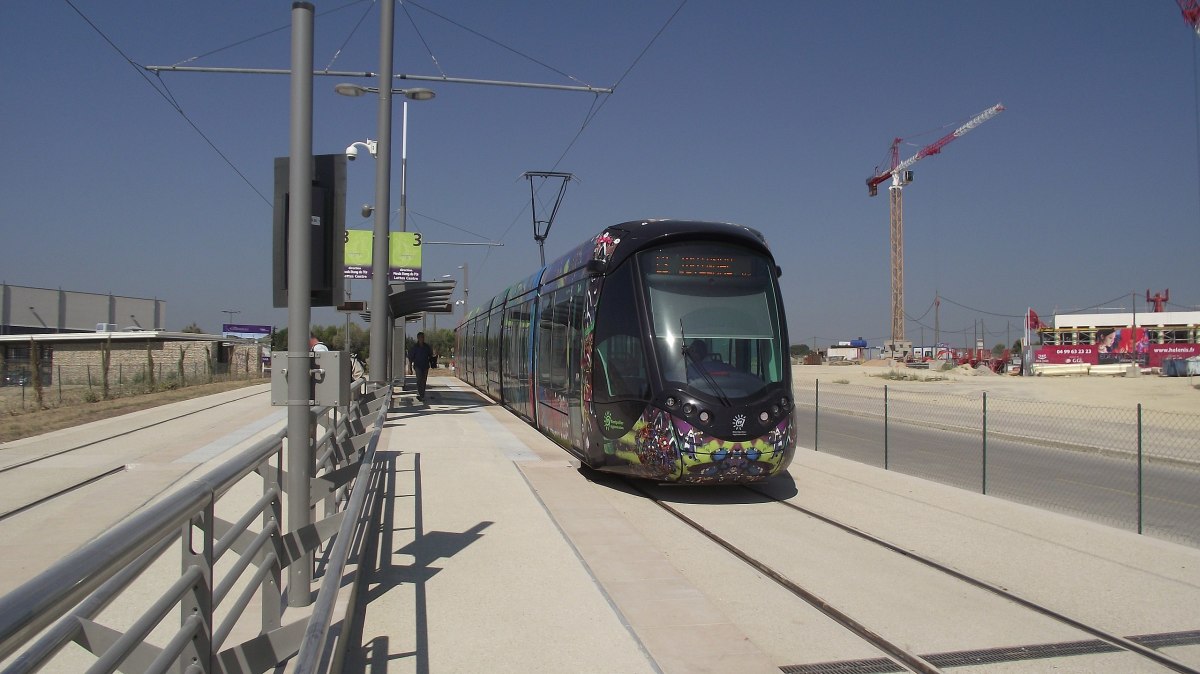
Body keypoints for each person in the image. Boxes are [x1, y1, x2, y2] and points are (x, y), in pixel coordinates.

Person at [408, 331, 433, 401]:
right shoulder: (415, 347)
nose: (422, 339)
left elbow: (430, 356)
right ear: (418, 338)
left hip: (425, 366)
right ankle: (419, 394)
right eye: (421, 337)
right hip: (418, 366)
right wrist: (409, 368)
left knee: (424, 380)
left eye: (423, 337)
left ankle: (422, 394)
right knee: (419, 380)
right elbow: (410, 358)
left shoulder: (427, 347)